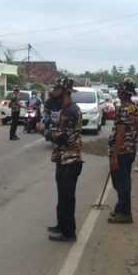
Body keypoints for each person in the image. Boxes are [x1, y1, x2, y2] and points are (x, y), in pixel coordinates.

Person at [36, 76, 82, 242]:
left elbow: (62, 137)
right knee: (63, 197)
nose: (53, 93)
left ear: (64, 92)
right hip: (64, 159)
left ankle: (68, 233)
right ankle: (62, 225)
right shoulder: (66, 109)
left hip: (69, 161)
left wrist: (43, 131)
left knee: (67, 198)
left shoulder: (70, 111)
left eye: (55, 90)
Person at [108, 78, 138, 224]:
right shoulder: (135, 107)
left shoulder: (124, 109)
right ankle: (121, 208)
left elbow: (121, 133)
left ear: (122, 93)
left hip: (122, 151)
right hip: (131, 149)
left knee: (120, 184)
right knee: (124, 182)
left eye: (119, 91)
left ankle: (125, 213)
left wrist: (114, 156)